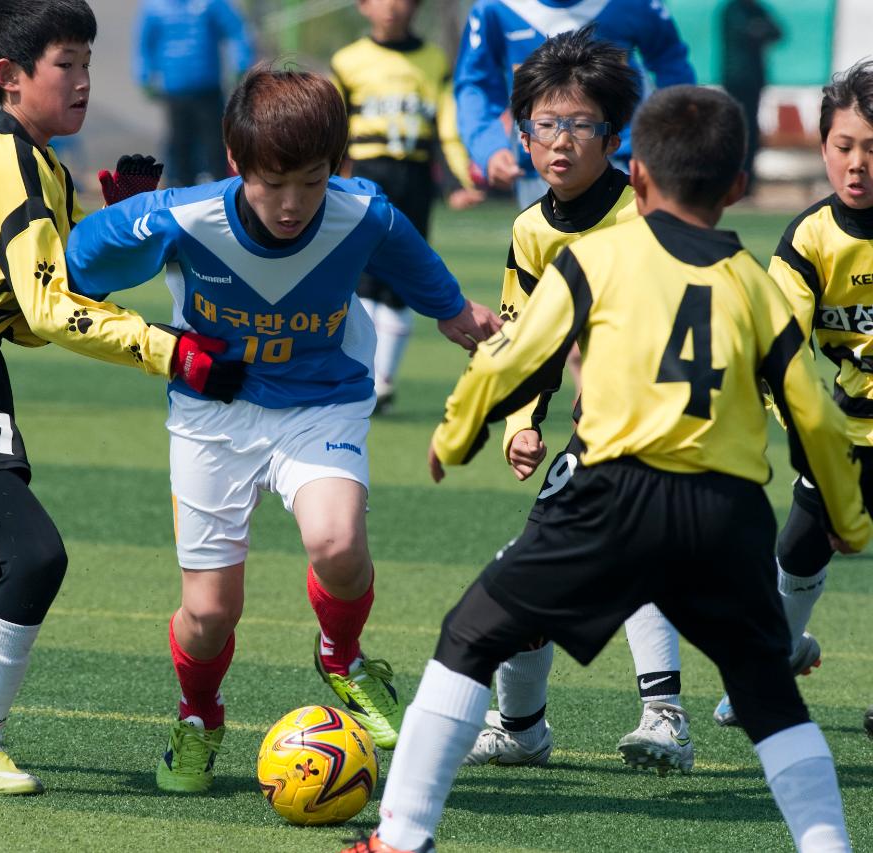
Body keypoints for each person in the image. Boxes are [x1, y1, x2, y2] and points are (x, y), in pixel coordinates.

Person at [342, 85, 870, 853]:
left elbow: (515, 354)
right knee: (767, 694)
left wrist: (456, 435)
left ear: (640, 178)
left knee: (471, 633)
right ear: (733, 188)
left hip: (610, 492)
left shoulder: (595, 258)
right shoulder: (758, 285)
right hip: (726, 509)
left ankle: (402, 836)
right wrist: (850, 520)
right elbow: (813, 414)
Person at [63, 62, 502, 794]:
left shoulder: (362, 210)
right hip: (212, 417)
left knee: (336, 541)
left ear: (338, 166)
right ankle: (198, 716)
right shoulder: (183, 214)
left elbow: (409, 256)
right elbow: (83, 266)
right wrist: (134, 236)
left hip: (320, 400)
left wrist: (455, 312)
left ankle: (342, 655)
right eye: (272, 183)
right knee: (209, 612)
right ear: (237, 163)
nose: (292, 203)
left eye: (311, 181)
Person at [0, 0, 241, 797]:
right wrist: (168, 350)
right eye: (66, 65)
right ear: (11, 78)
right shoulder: (1, 162)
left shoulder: (42, 164)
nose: (82, 82)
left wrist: (121, 226)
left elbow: (54, 303)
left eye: (86, 63)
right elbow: (48, 310)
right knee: (36, 554)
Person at [463, 28, 695, 775]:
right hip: (596, 434)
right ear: (522, 131)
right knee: (534, 568)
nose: (560, 141)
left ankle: (665, 716)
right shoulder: (531, 230)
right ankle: (524, 726)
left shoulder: (647, 214)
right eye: (544, 123)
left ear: (615, 134)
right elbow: (526, 341)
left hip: (667, 425)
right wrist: (521, 425)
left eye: (580, 124)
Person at [712, 60, 873, 731]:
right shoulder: (810, 237)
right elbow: (779, 352)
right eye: (844, 147)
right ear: (823, 148)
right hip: (843, 434)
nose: (858, 164)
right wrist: (814, 448)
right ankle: (767, 672)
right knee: (798, 551)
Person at [331, 0, 486, 414]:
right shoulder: (347, 62)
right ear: (363, 6)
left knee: (402, 280)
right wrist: (331, 178)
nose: (392, 8)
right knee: (362, 279)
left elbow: (445, 126)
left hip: (414, 180)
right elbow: (333, 125)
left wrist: (457, 181)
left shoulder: (433, 60)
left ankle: (383, 382)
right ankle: (360, 373)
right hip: (363, 176)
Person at [455, 0, 695, 208]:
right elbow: (475, 85)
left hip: (626, 162)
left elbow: (672, 66)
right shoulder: (496, 8)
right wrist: (489, 149)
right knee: (550, 255)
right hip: (541, 167)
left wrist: (671, 137)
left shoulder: (636, 4)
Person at [135, 0, 254, 186]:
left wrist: (240, 61)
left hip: (208, 90)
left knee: (216, 146)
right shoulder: (155, 7)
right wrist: (144, 75)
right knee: (179, 146)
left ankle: (221, 192)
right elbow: (144, 44)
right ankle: (181, 194)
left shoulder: (211, 3)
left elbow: (236, 30)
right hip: (175, 92)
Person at [720, 0, 781, 194]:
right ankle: (734, 179)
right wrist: (758, 28)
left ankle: (747, 180)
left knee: (751, 131)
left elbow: (777, 32)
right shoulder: (733, 9)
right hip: (736, 79)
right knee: (737, 129)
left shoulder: (758, 9)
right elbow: (748, 33)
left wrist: (759, 28)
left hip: (754, 80)